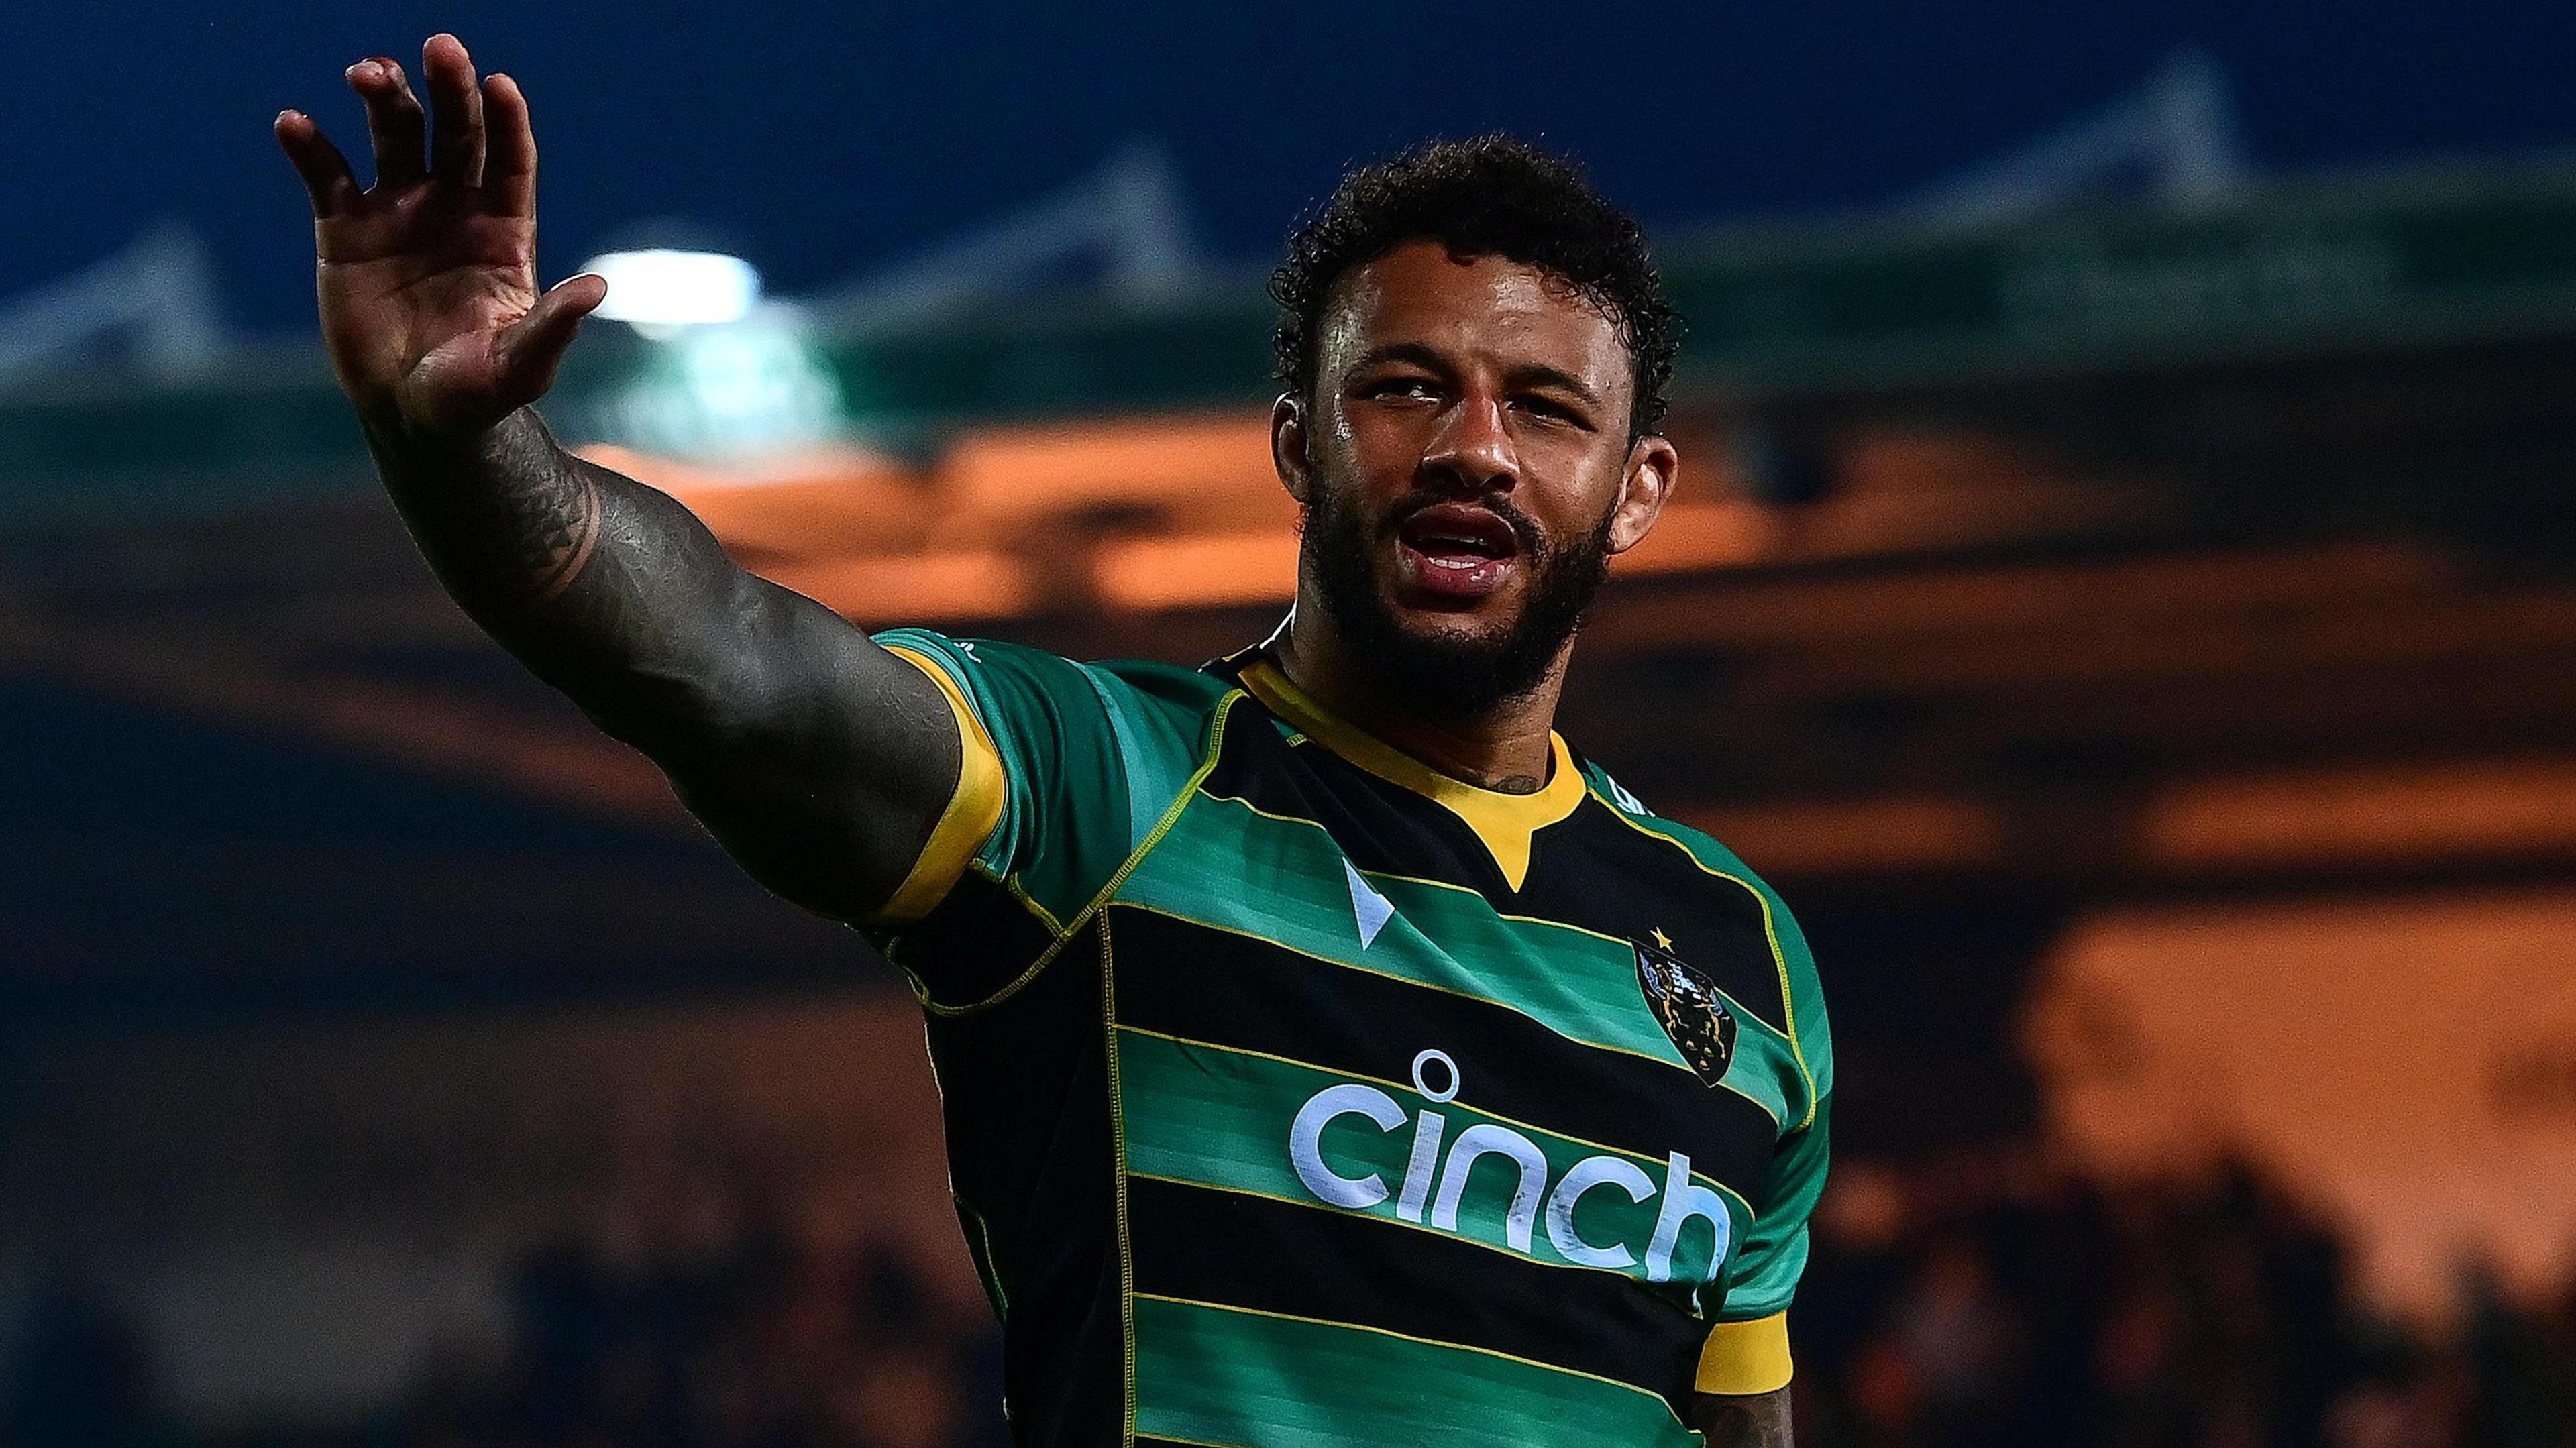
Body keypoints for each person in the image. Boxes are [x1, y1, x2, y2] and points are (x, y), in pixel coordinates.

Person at [274, 34, 1831, 1447]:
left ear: (1638, 488)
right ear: (1300, 441)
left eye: (1547, 408)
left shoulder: (1745, 970)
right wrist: (468, 454)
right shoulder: (1108, 795)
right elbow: (730, 667)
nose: (1472, 447)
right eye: (1406, 387)